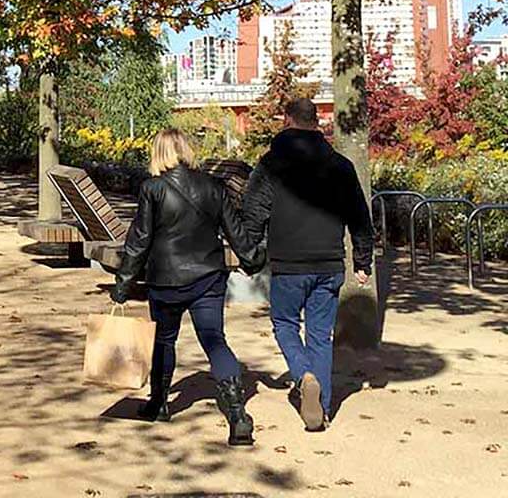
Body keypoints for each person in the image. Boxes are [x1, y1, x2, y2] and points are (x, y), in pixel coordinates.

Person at [111, 128, 265, 446]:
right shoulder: (213, 187)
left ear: (159, 152)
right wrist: (253, 259)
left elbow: (139, 239)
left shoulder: (152, 188)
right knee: (215, 341)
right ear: (185, 150)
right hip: (208, 277)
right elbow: (234, 230)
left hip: (165, 280)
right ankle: (237, 417)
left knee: (165, 341)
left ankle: (159, 404)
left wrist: (124, 281)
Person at [242, 97, 374, 432]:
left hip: (288, 263)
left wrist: (249, 253)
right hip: (329, 262)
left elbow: (254, 212)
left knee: (285, 323)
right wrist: (362, 260)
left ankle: (303, 376)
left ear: (287, 120)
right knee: (320, 335)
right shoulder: (340, 165)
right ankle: (322, 410)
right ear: (317, 122)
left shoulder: (271, 164)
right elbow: (359, 216)